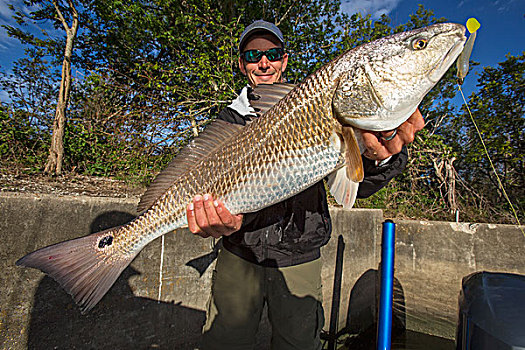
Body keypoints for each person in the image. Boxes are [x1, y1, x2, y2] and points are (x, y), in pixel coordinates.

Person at [186, 20, 424, 350]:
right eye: (253, 55)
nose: (264, 62)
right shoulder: (229, 121)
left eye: (273, 53)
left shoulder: (314, 103)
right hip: (238, 254)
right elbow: (210, 193)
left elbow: (358, 184)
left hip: (301, 254)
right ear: (242, 64)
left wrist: (380, 156)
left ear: (285, 60)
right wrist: (213, 221)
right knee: (224, 342)